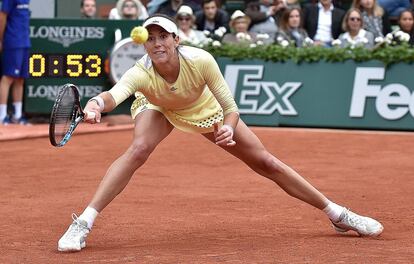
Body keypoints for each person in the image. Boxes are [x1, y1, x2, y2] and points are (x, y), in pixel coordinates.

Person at [57, 13, 384, 252]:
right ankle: (83, 221)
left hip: (204, 109)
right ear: (146, 43)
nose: (157, 43)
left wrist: (227, 129)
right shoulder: (141, 71)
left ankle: (337, 214)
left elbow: (230, 105)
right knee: (139, 149)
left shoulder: (201, 61)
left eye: (163, 37)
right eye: (151, 38)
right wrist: (97, 104)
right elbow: (116, 94)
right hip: (158, 106)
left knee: (266, 162)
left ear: (176, 39)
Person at [0, 0, 30, 125]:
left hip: (25, 42)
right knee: (8, 77)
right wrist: (0, 39)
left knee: (20, 79)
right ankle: (2, 116)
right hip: (12, 41)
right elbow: (2, 17)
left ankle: (17, 116)